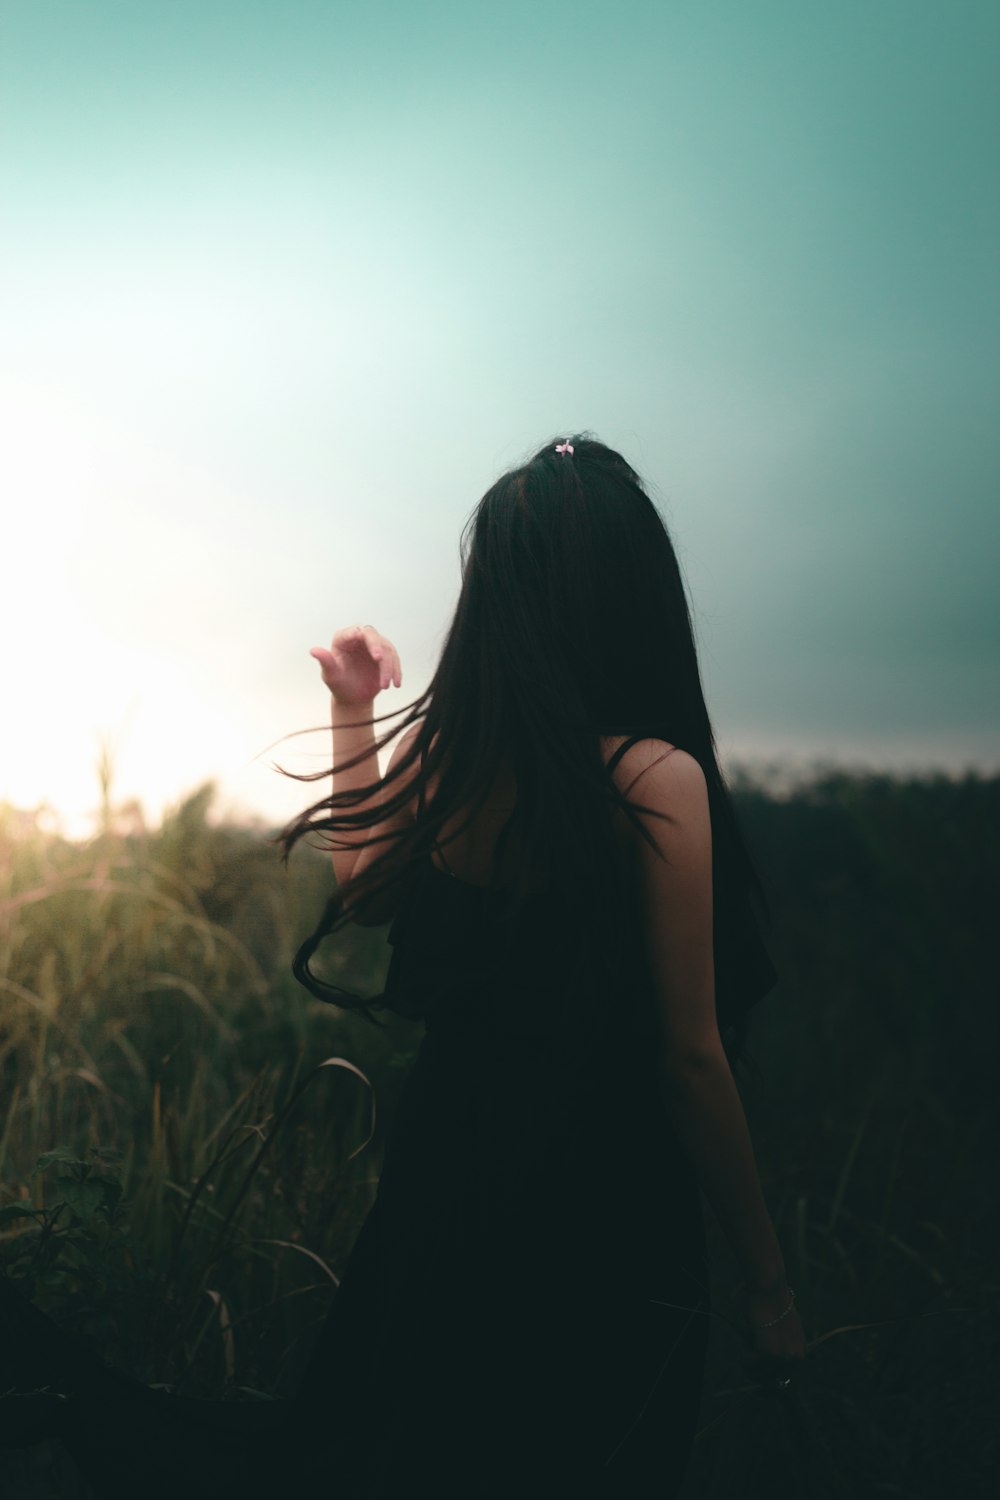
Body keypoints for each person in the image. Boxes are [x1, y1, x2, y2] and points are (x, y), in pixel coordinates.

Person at [0, 434, 805, 1497]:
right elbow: (691, 1057)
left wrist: (355, 707)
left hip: (445, 1179)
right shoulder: (651, 780)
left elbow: (366, 889)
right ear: (633, 593)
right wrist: (766, 1283)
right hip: (598, 1204)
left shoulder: (458, 756)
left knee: (407, 1452)